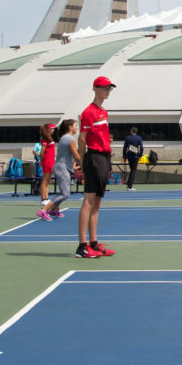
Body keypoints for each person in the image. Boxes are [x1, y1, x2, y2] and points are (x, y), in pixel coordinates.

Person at [75, 76, 117, 258]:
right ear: (95, 88)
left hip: (104, 158)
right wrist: (83, 161)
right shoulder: (88, 112)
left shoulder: (104, 112)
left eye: (110, 88)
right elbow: (82, 138)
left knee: (97, 203)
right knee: (89, 201)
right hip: (93, 157)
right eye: (105, 88)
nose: (108, 91)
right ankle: (82, 246)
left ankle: (93, 242)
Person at [39, 119, 81, 220]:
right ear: (70, 127)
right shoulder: (70, 139)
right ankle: (44, 210)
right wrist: (84, 163)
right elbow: (76, 154)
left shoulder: (64, 138)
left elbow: (67, 155)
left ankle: (54, 210)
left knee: (63, 191)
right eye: (76, 125)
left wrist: (74, 166)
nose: (77, 127)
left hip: (60, 167)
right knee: (65, 194)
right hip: (61, 168)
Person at [38, 123, 56, 205]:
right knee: (44, 181)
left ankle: (46, 198)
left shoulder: (50, 138)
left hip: (51, 161)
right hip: (47, 161)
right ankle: (43, 199)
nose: (53, 130)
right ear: (48, 130)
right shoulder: (45, 139)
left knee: (48, 181)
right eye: (52, 128)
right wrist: (41, 162)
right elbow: (42, 153)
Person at [123, 126, 143, 192]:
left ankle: (129, 184)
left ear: (132, 131)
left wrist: (124, 156)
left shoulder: (128, 138)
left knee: (132, 170)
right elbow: (141, 147)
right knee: (133, 171)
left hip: (129, 156)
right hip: (135, 156)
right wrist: (140, 155)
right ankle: (130, 186)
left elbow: (125, 148)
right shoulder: (139, 138)